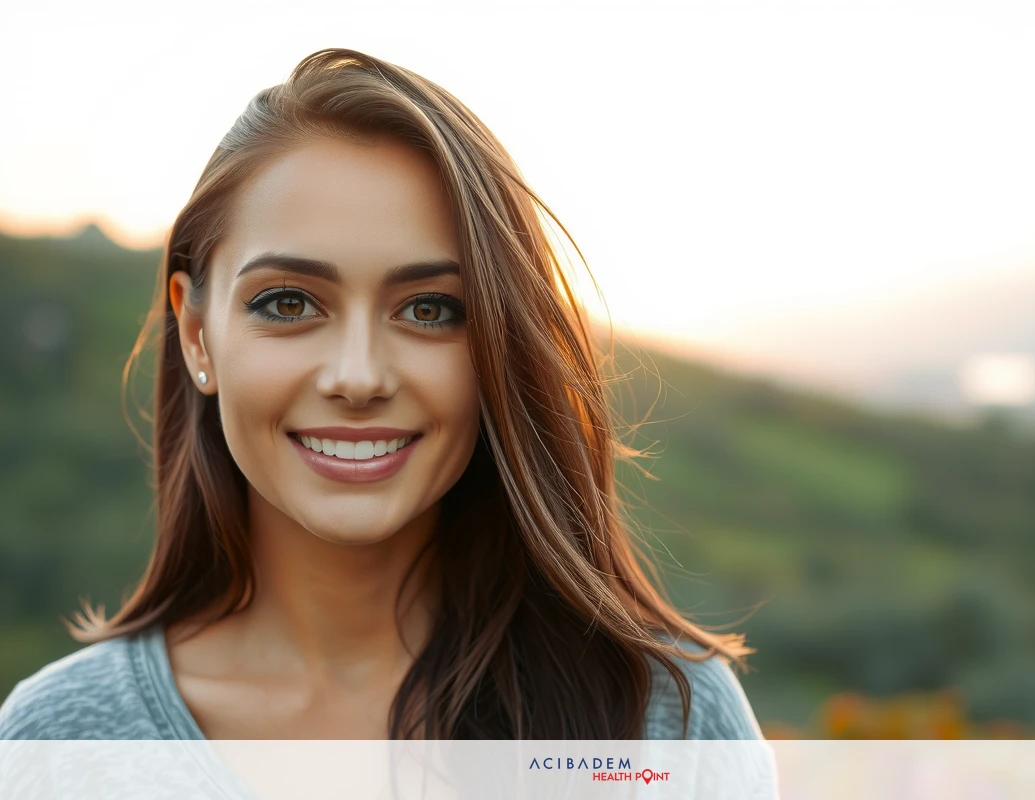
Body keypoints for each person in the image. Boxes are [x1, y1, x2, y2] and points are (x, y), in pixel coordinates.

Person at [0, 47, 763, 742]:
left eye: (430, 309)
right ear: (197, 334)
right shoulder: (60, 744)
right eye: (289, 304)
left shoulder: (666, 719)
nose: (358, 377)